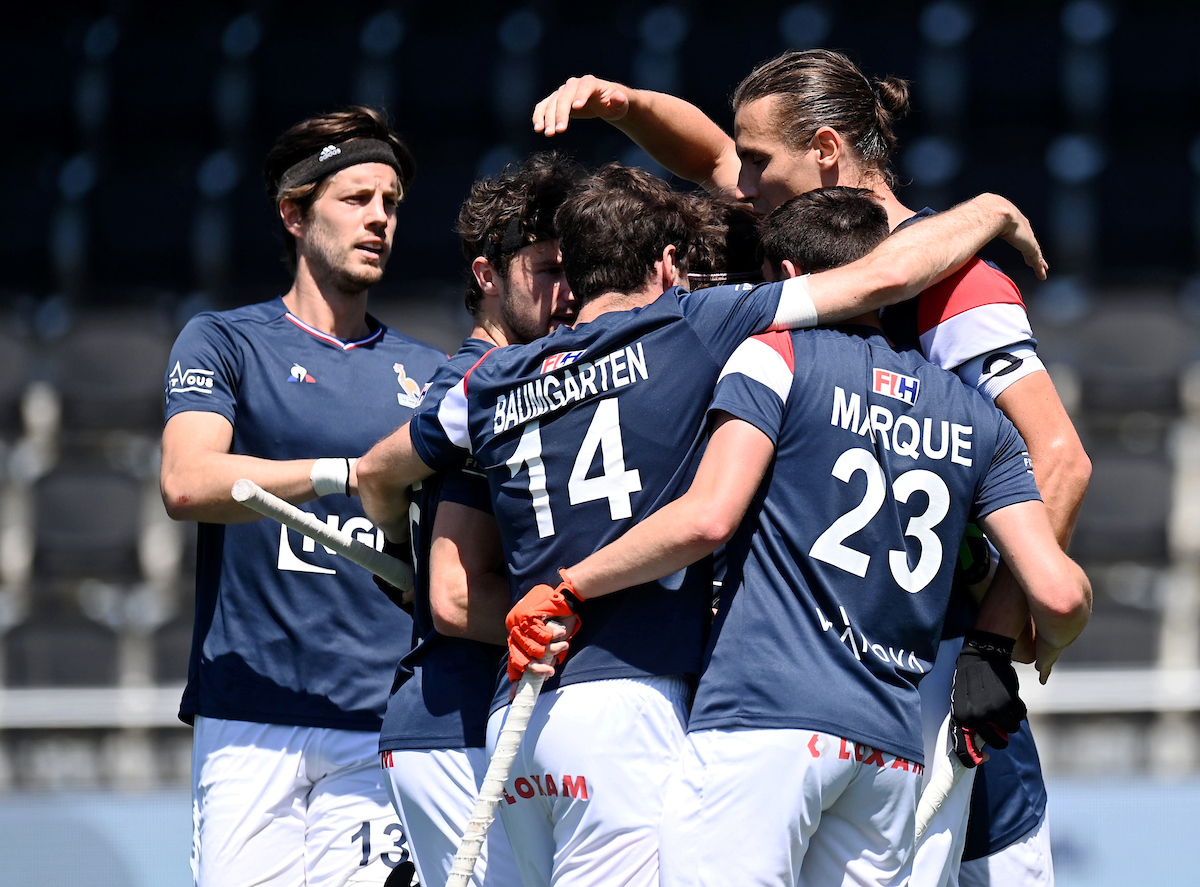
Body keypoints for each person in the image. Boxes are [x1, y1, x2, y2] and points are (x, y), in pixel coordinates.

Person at [356, 163, 1047, 887]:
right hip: (629, 703)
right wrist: (993, 207)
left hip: (518, 709)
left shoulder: (491, 379)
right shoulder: (692, 328)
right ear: (666, 264)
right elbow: (881, 277)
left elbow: (380, 471)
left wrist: (396, 554)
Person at [532, 51, 1091, 885]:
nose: (739, 181)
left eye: (759, 161)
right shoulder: (805, 233)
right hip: (832, 674)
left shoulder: (958, 281)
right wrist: (625, 104)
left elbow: (1059, 458)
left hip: (928, 666)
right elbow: (708, 155)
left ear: (826, 149)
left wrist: (987, 647)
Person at [160, 106, 445, 887]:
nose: (380, 219)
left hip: (379, 720)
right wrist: (346, 474)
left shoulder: (428, 375)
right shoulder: (224, 341)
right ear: (294, 213)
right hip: (249, 711)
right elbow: (187, 481)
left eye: (390, 203)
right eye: (356, 199)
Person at [377, 152, 583, 887]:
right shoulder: (479, 386)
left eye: (574, 270)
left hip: (489, 721)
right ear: (487, 275)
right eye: (545, 269)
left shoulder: (526, 378)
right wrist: (593, 621)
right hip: (455, 723)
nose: (566, 293)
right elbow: (456, 597)